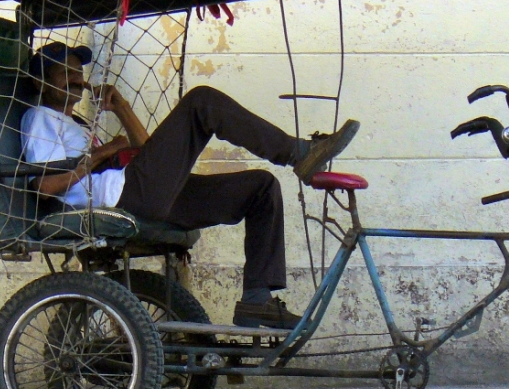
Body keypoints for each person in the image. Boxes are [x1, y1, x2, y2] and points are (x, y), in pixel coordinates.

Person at [20, 41, 360, 330]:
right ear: (40, 83)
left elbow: (145, 149)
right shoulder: (39, 119)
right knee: (201, 102)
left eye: (79, 73)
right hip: (122, 196)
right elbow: (46, 186)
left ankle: (257, 299)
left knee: (261, 187)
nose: (77, 80)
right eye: (66, 73)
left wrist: (121, 107)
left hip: (139, 190)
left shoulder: (75, 122)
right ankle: (298, 153)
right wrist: (103, 153)